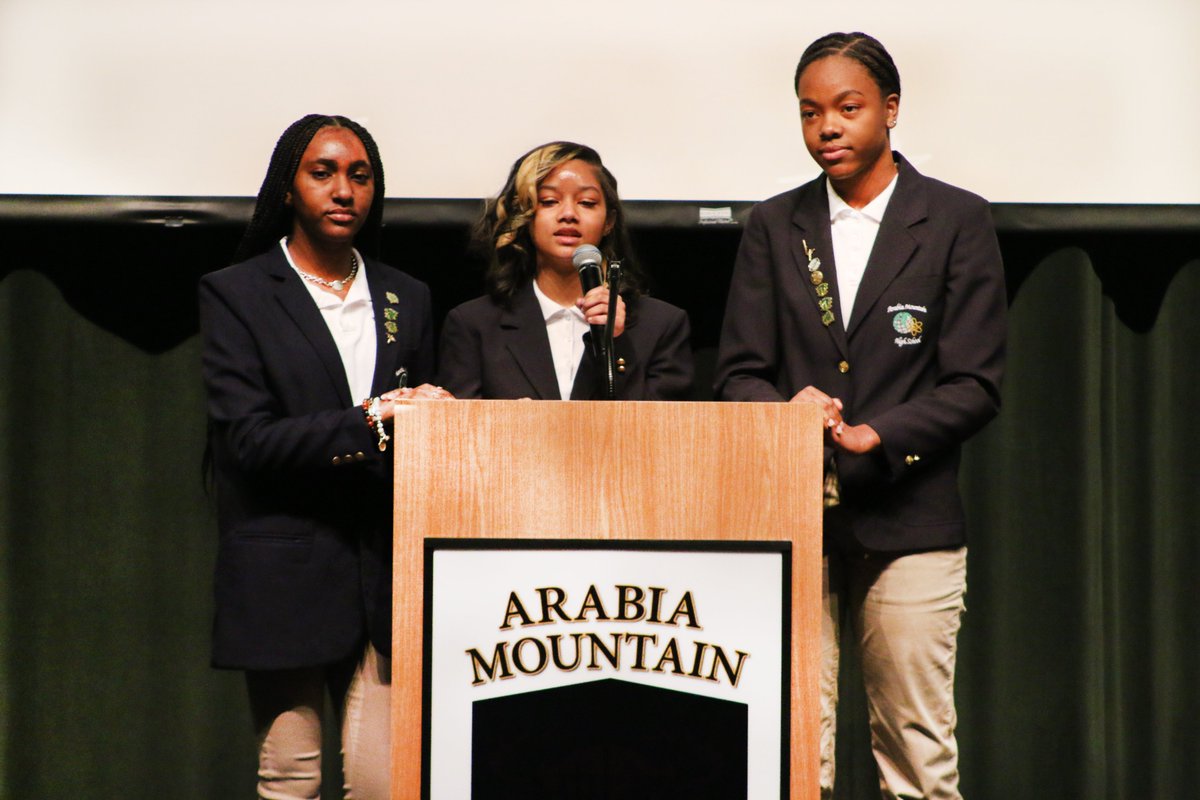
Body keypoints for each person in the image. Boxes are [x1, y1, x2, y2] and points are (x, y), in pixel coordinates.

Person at [714, 33, 1007, 799]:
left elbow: (976, 383)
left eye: (847, 108)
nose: (827, 129)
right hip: (794, 521)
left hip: (911, 521)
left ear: (891, 109)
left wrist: (883, 432)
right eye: (811, 113)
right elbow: (738, 374)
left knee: (914, 747)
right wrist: (786, 410)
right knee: (790, 745)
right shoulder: (774, 227)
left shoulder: (954, 220)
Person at [199, 113, 447, 799]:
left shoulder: (408, 296)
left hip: (388, 575)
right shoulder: (238, 293)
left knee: (385, 784)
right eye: (324, 172)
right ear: (288, 187)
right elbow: (247, 441)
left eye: (360, 175)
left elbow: (422, 437)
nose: (345, 190)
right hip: (284, 571)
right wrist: (369, 421)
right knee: (292, 779)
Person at [438, 141, 693, 400]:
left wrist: (615, 342)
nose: (568, 214)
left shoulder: (662, 326)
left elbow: (664, 431)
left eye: (586, 202)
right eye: (549, 201)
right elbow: (459, 432)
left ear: (609, 222)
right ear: (525, 215)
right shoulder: (474, 325)